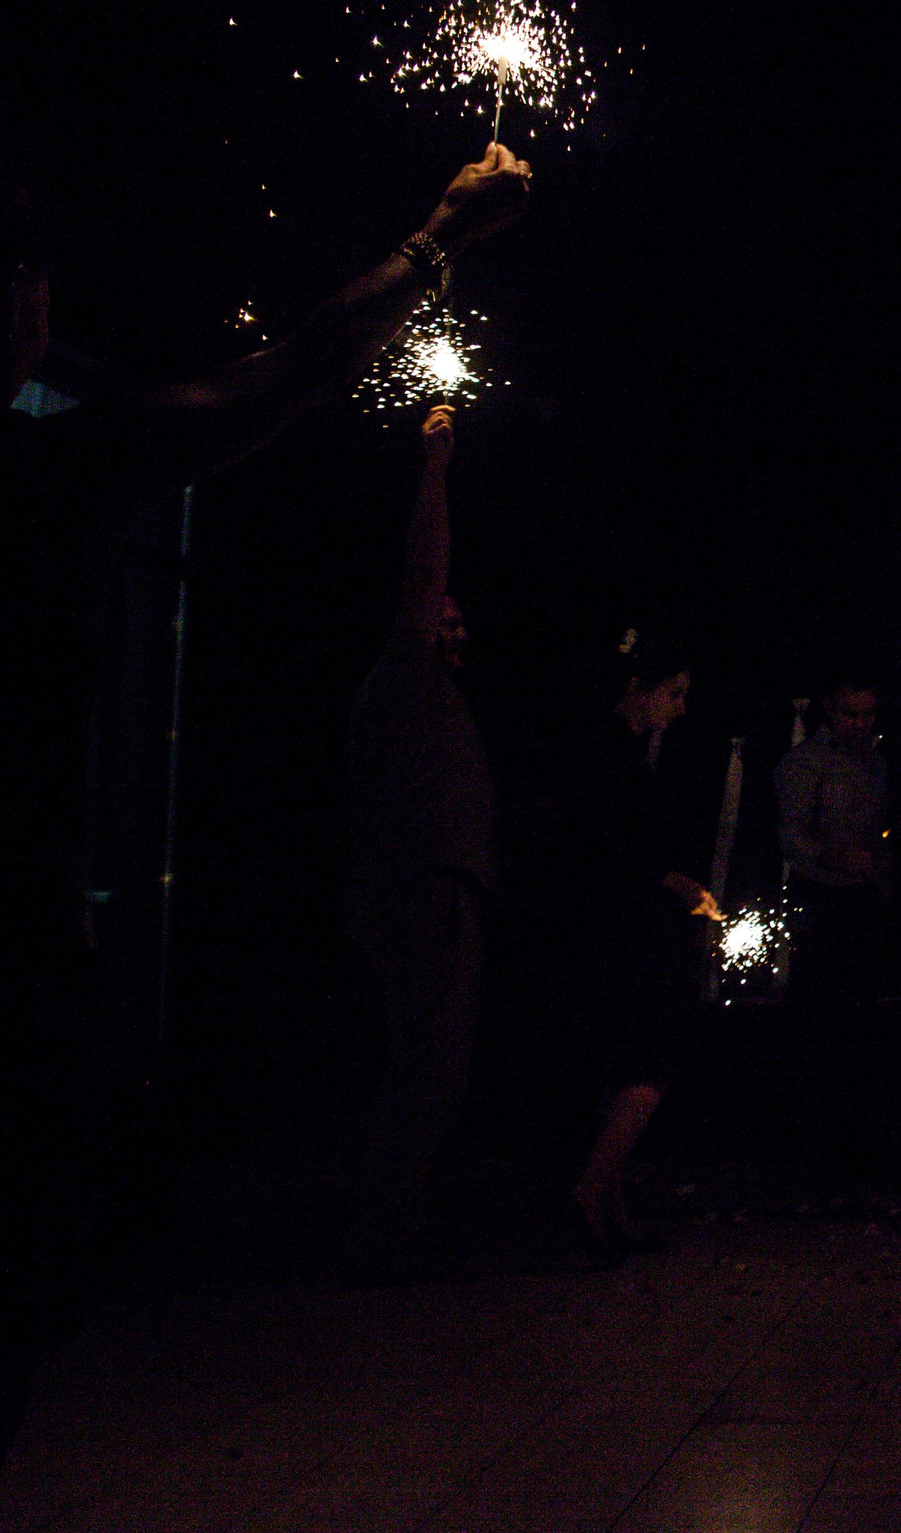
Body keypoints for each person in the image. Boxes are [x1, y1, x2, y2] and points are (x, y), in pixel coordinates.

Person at [0, 143, 529, 1525]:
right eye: (24, 282)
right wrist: (438, 242)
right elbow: (261, 386)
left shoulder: (37, 450)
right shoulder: (19, 474)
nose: (39, 315)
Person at [339, 404, 494, 1279]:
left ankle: (399, 1213)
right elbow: (423, 572)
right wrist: (435, 466)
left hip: (441, 888)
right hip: (416, 890)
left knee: (441, 1065)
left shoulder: (437, 696)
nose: (456, 629)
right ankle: (381, 1224)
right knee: (424, 1064)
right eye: (446, 618)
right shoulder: (402, 675)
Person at [558, 633, 723, 1262]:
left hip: (618, 927)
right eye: (673, 694)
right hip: (624, 933)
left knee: (625, 1067)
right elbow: (610, 849)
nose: (680, 707)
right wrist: (674, 882)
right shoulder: (609, 756)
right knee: (647, 1065)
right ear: (638, 690)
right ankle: (590, 1192)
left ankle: (612, 1208)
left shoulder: (617, 753)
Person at [775, 678, 890, 998]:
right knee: (819, 996)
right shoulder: (806, 761)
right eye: (850, 715)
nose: (860, 724)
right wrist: (828, 856)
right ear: (829, 708)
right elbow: (788, 831)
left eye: (868, 715)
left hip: (865, 896)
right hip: (819, 898)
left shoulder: (875, 761)